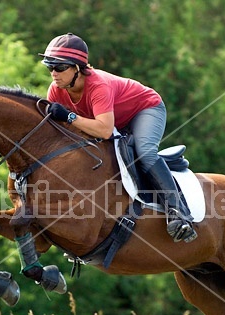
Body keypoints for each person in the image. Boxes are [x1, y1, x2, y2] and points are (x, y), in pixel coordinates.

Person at [39, 33, 197, 243]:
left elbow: (104, 130)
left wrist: (69, 116)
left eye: (59, 68)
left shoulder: (97, 86)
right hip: (113, 119)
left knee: (145, 152)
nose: (53, 74)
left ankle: (179, 213)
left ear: (77, 68)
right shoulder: (56, 90)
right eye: (50, 67)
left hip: (145, 109)